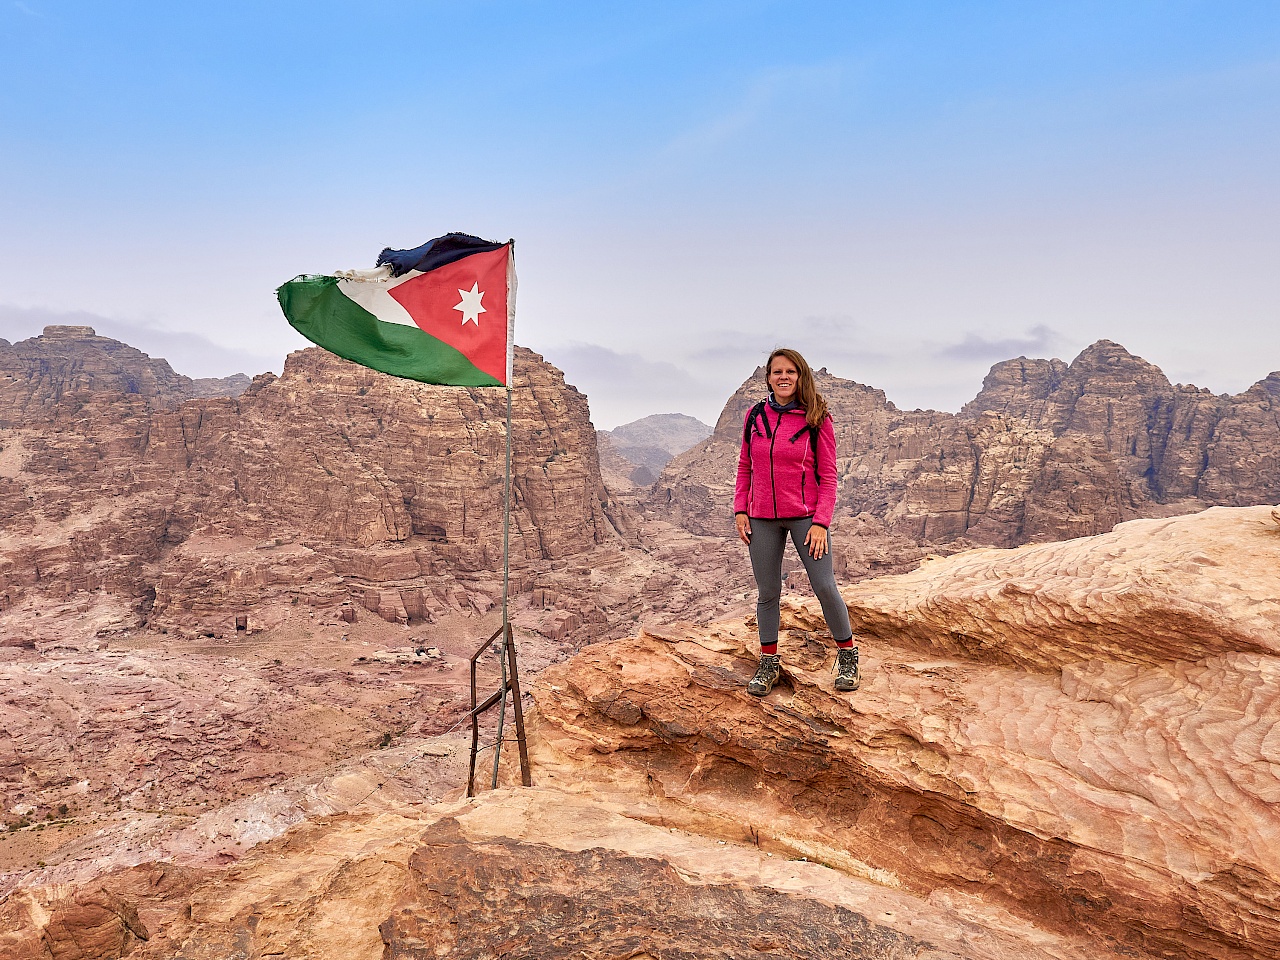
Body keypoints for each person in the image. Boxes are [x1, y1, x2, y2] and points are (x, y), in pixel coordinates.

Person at [734, 348, 860, 696]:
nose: (784, 377)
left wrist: (821, 522)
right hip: (761, 518)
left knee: (823, 585)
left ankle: (848, 656)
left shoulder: (816, 417)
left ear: (800, 376)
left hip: (806, 518)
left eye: (791, 371)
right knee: (768, 592)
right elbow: (746, 466)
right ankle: (769, 663)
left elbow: (829, 476)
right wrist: (740, 509)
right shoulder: (755, 416)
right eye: (777, 372)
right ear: (768, 378)